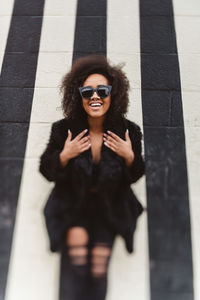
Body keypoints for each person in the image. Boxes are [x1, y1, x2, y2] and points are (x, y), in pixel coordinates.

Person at [39, 54, 145, 300]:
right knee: (75, 265)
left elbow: (135, 175)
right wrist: (65, 155)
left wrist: (129, 156)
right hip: (73, 205)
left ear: (113, 94)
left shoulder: (129, 131)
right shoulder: (63, 129)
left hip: (108, 208)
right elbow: (46, 169)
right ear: (79, 96)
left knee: (98, 268)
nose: (95, 96)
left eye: (102, 90)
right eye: (87, 91)